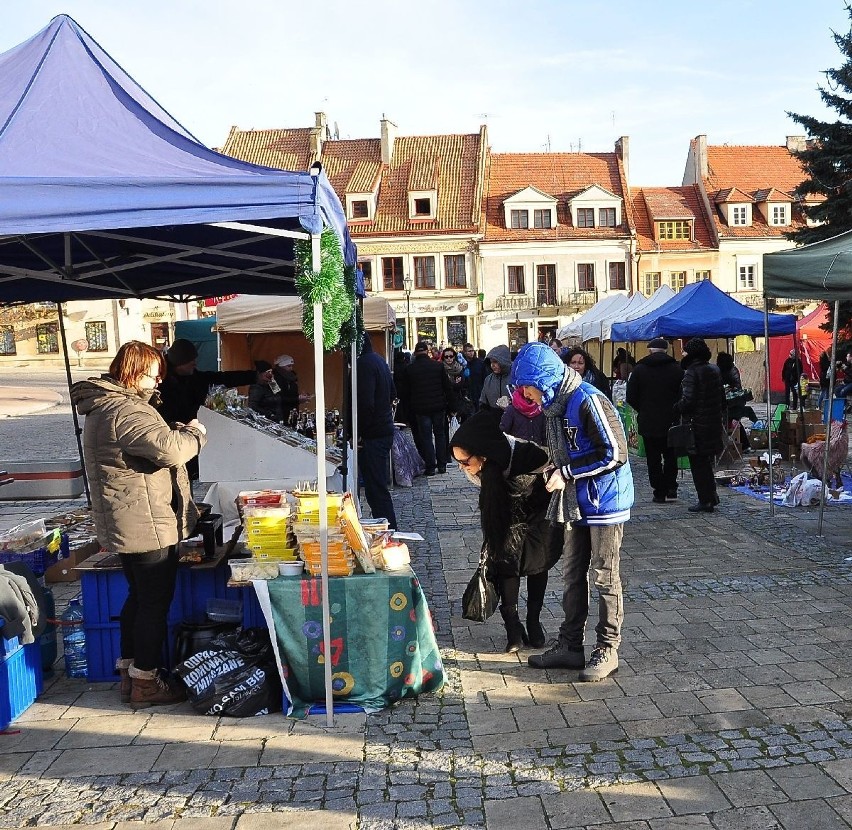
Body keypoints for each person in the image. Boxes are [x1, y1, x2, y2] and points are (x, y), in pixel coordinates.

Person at [70, 341, 207, 708]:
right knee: (153, 603)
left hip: (127, 518)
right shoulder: (126, 411)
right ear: (132, 372)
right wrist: (193, 433)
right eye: (152, 373)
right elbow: (171, 450)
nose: (157, 380)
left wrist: (171, 430)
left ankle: (130, 673)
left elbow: (148, 444)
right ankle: (145, 680)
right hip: (144, 521)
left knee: (138, 597)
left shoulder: (104, 408)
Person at [511, 342, 633, 682]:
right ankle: (570, 645)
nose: (527, 395)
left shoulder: (587, 399)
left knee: (604, 575)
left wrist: (566, 473)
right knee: (572, 573)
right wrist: (552, 467)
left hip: (605, 500)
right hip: (577, 500)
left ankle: (608, 647)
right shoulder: (556, 407)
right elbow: (565, 451)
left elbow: (614, 454)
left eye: (528, 387)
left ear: (543, 379)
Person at [449, 411, 560, 651]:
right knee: (506, 562)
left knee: (537, 564)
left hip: (537, 512)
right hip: (504, 513)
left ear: (484, 456)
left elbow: (551, 466)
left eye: (465, 462)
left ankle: (533, 621)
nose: (462, 468)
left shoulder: (528, 454)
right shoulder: (478, 469)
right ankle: (513, 627)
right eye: (457, 462)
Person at [157, 338, 256, 479]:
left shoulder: (193, 377)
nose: (195, 364)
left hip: (190, 439)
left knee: (186, 481)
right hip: (170, 443)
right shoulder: (161, 384)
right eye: (191, 361)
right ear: (180, 363)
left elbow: (222, 378)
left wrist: (254, 377)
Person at [626, 337, 684, 503]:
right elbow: (683, 394)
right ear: (666, 350)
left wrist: (643, 409)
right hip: (671, 420)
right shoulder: (677, 369)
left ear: (650, 350)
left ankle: (659, 491)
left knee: (653, 458)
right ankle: (671, 486)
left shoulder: (639, 370)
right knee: (671, 455)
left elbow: (630, 396)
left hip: (648, 420)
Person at [675, 338, 725, 513]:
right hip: (713, 423)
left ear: (692, 353)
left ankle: (705, 500)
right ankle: (711, 497)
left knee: (698, 465)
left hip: (697, 425)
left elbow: (688, 401)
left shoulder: (691, 372)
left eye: (685, 351)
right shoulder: (714, 369)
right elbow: (722, 399)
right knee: (706, 463)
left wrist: (677, 407)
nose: (683, 353)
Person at [356, 334, 398, 529]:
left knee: (376, 488)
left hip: (373, 433)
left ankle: (388, 529)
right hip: (382, 429)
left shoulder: (364, 365)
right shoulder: (379, 360)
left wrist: (360, 433)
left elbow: (365, 404)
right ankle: (385, 527)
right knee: (376, 487)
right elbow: (392, 394)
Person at [396, 341, 454, 475]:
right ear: (427, 352)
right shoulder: (438, 366)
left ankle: (430, 466)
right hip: (438, 406)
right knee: (440, 435)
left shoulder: (410, 369)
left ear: (416, 353)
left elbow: (405, 392)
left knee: (426, 437)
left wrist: (407, 412)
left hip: (421, 409)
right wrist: (451, 406)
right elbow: (447, 388)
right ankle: (442, 464)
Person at [272, 354, 312, 426]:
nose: (291, 368)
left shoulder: (292, 378)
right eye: (288, 366)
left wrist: (301, 398)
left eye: (291, 366)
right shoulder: (272, 380)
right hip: (280, 414)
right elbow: (277, 398)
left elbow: (293, 394)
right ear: (281, 366)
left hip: (292, 412)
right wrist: (297, 398)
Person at [479, 345, 512, 411]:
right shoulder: (488, 379)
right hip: (493, 418)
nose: (492, 365)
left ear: (504, 361)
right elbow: (483, 402)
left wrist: (511, 403)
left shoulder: (517, 378)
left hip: (514, 418)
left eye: (495, 362)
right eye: (491, 362)